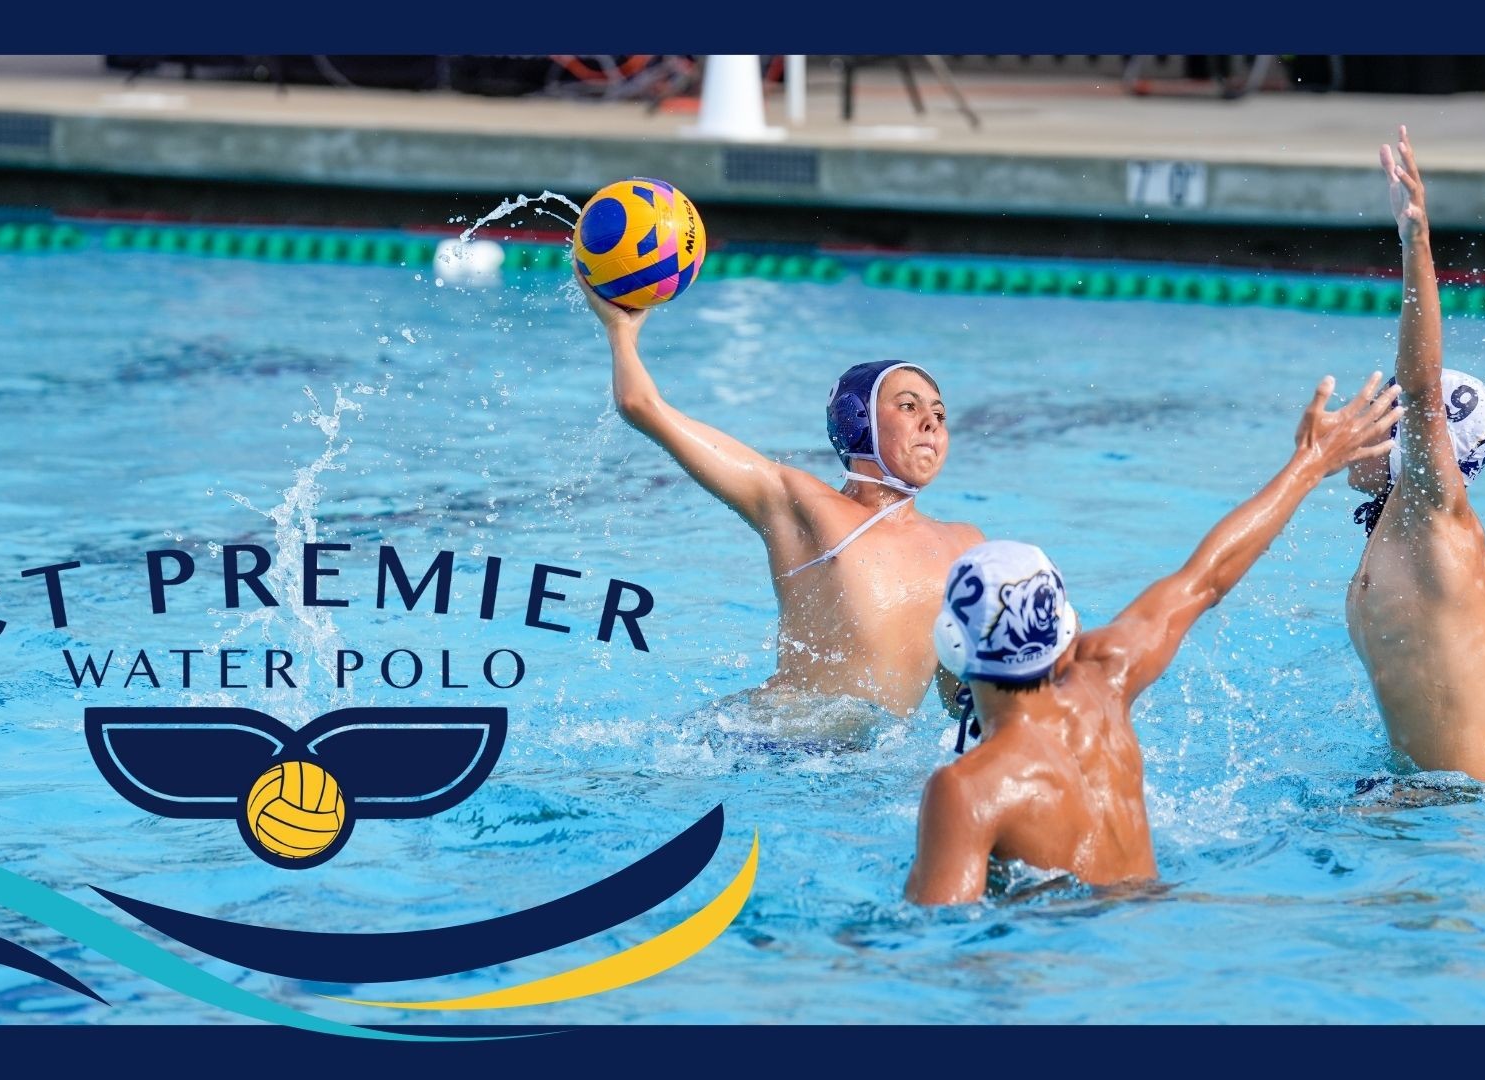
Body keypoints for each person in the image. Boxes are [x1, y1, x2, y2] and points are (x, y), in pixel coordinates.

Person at [905, 376, 1402, 904]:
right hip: (1157, 906)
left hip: (1068, 945)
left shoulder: (967, 789)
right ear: (1067, 633)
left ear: (952, 647)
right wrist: (1309, 463)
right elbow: (1207, 578)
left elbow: (936, 934)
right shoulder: (1105, 678)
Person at [577, 271, 985, 727]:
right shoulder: (802, 506)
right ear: (858, 421)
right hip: (769, 744)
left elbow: (962, 704)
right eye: (909, 406)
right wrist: (621, 331)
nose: (931, 422)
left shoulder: (965, 547)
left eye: (939, 413)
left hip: (866, 760)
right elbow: (641, 406)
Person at [1344, 127, 1485, 785]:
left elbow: (1421, 387)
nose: (1361, 418)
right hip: (1426, 799)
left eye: (1380, 410)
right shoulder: (1410, 525)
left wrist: (1415, 243)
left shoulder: (1438, 518)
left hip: (1458, 813)